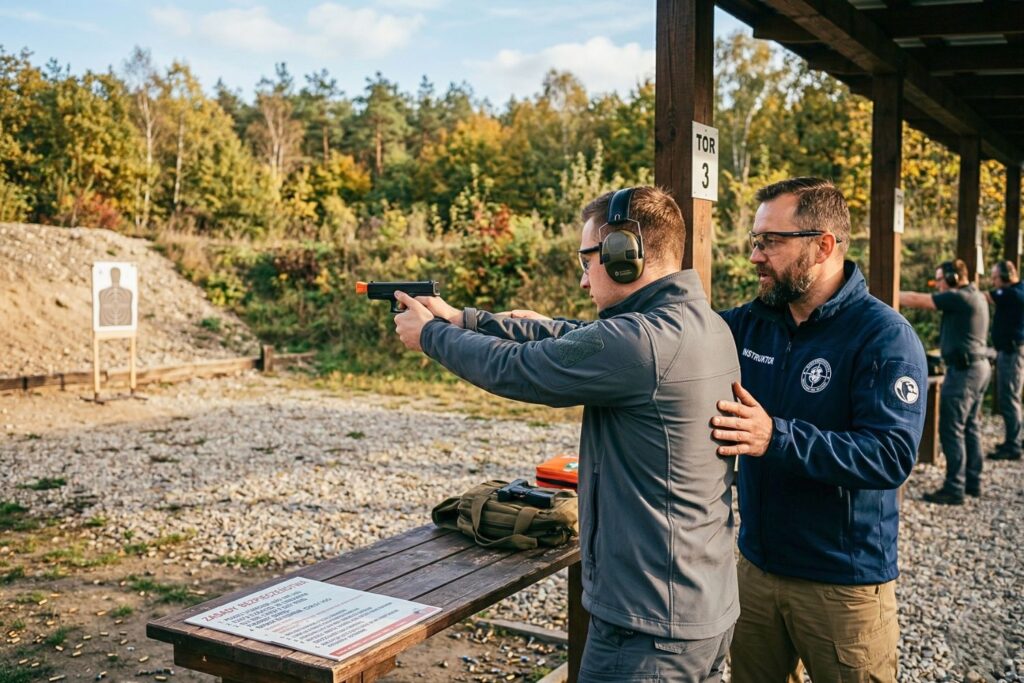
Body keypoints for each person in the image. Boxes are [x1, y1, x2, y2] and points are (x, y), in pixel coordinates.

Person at [393, 186, 740, 682]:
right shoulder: (701, 325)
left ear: (626, 255)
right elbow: (568, 339)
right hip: (695, 604)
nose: (583, 279)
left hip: (646, 629)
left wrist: (431, 336)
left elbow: (524, 368)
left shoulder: (641, 343)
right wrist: (462, 319)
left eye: (587, 259)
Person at [711, 177, 927, 682]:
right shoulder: (751, 322)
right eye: (754, 240)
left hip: (842, 586)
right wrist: (554, 332)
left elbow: (890, 455)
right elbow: (667, 339)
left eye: (770, 242)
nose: (755, 256)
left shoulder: (884, 336)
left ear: (823, 245)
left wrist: (774, 437)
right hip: (756, 570)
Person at [901, 258, 991, 502]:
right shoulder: (975, 295)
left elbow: (918, 300)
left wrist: (886, 292)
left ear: (953, 278)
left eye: (939, 279)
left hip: (965, 372)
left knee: (951, 429)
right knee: (970, 426)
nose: (937, 285)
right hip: (976, 367)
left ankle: (955, 487)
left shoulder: (959, 296)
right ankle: (972, 481)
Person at [986, 260, 1024, 461]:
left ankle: (1014, 445)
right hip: (1010, 351)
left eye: (995, 278)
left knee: (1010, 399)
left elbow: (985, 297)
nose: (994, 282)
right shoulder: (1017, 290)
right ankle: (1013, 440)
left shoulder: (1012, 293)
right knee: (1010, 398)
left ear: (1006, 277)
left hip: (1012, 352)